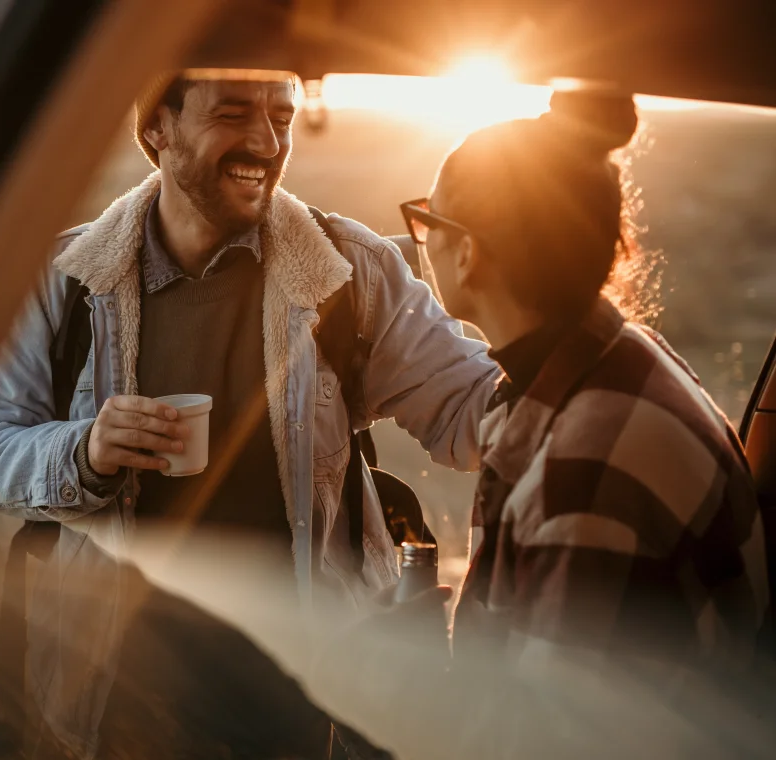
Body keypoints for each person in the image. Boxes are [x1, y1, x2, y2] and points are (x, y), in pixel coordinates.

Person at [0, 69, 499, 757]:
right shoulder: (66, 281)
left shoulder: (347, 271)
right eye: (235, 113)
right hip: (113, 709)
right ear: (157, 126)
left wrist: (595, 361)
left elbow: (475, 410)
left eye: (283, 115)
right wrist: (83, 453)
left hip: (309, 712)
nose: (266, 141)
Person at [310, 90, 776, 759]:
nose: (422, 240)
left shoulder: (587, 470)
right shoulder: (617, 361)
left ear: (467, 253)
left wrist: (378, 679)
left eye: (426, 221)